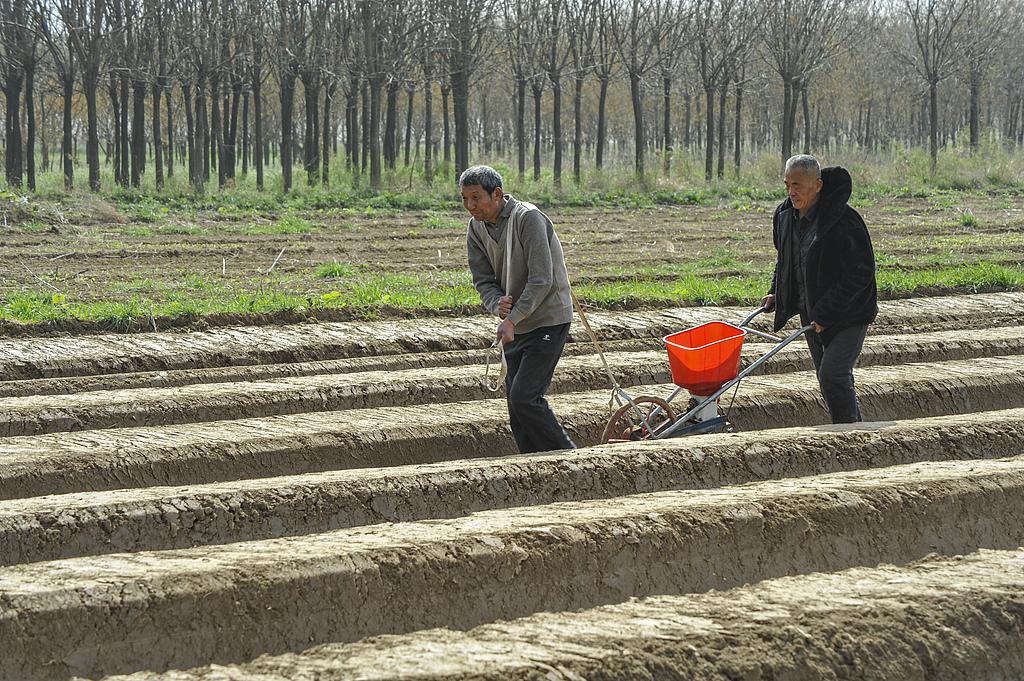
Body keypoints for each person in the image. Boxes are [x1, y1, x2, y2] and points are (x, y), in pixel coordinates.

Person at [460, 164, 577, 454]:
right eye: (464, 199)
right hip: (515, 324)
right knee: (515, 404)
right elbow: (483, 280)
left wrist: (511, 319)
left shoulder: (528, 219)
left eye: (476, 197)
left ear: (497, 194)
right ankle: (533, 466)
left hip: (547, 318)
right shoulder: (476, 228)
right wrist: (494, 302)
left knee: (526, 397)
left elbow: (541, 279)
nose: (469, 205)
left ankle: (570, 458)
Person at [760, 154, 878, 423]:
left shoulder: (843, 221)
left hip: (849, 313)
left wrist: (825, 314)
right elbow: (786, 260)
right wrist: (777, 291)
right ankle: (850, 429)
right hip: (811, 312)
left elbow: (860, 274)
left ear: (818, 185)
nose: (791, 192)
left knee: (833, 374)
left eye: (797, 185)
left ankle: (849, 434)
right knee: (827, 378)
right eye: (787, 185)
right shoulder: (784, 216)